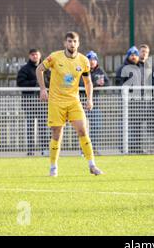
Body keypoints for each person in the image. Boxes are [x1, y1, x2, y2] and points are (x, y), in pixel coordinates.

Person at [36, 31, 103, 177]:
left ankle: (92, 165)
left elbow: (88, 82)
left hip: (74, 101)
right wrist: (43, 89)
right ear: (65, 43)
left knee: (83, 130)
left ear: (78, 43)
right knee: (57, 133)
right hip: (56, 101)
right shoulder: (54, 57)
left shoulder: (84, 61)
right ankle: (53, 167)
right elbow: (39, 69)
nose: (72, 44)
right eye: (69, 41)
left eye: (74, 41)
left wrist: (90, 98)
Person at [17, 48, 50, 156]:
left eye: (36, 54)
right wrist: (35, 83)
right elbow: (20, 83)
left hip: (43, 103)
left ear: (40, 55)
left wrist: (43, 85)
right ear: (29, 56)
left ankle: (44, 149)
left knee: (43, 127)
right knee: (30, 127)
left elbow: (51, 82)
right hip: (29, 103)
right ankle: (30, 150)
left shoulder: (46, 69)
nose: (35, 56)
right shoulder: (24, 69)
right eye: (32, 55)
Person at [80, 51, 110, 154]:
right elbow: (79, 84)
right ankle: (83, 149)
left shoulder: (100, 71)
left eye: (94, 59)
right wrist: (90, 86)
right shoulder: (82, 70)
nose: (92, 62)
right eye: (89, 59)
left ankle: (94, 148)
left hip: (96, 105)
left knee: (96, 127)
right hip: (82, 104)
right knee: (82, 128)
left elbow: (107, 83)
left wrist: (101, 85)